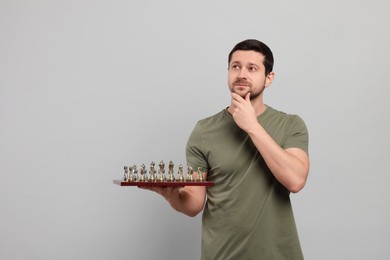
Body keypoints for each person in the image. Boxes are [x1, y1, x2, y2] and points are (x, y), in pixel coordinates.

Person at [141, 39, 310, 259]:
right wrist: (171, 195)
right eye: (235, 66)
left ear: (269, 78)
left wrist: (252, 126)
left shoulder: (291, 125)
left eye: (252, 68)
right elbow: (193, 203)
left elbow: (295, 180)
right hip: (222, 254)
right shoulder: (204, 131)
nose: (241, 74)